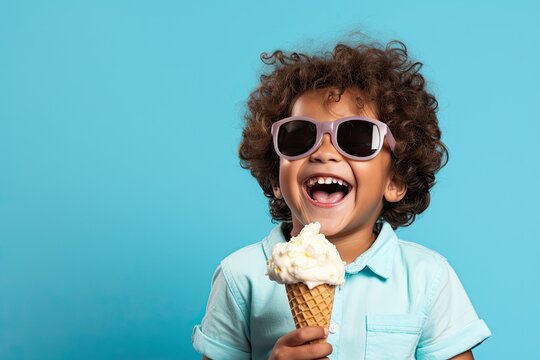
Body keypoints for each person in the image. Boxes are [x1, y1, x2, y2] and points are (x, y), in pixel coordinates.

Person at [192, 38, 491, 359]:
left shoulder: (427, 277)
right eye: (298, 136)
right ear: (275, 177)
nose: (323, 152)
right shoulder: (241, 275)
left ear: (396, 179)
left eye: (357, 137)